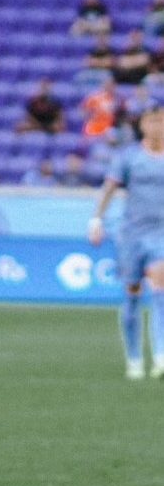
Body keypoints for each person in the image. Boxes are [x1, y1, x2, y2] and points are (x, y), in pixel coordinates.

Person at [89, 105, 164, 380]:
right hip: (132, 235)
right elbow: (109, 188)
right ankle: (134, 358)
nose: (157, 126)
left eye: (161, 120)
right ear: (142, 124)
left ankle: (161, 357)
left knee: (160, 289)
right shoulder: (129, 157)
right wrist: (96, 220)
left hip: (161, 235)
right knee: (132, 295)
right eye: (152, 120)